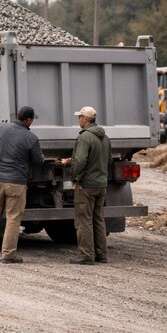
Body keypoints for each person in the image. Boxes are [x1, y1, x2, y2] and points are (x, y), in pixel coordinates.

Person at [0, 106, 44, 264]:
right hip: (16, 183)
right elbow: (38, 161)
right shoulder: (31, 138)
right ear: (28, 120)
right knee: (13, 218)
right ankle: (8, 254)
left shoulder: (0, 128)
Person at [57, 106, 112, 265]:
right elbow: (108, 161)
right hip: (101, 185)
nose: (78, 119)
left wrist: (75, 179)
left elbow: (81, 161)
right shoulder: (105, 137)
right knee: (98, 219)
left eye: (80, 117)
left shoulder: (84, 137)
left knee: (83, 220)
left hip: (86, 185)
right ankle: (102, 255)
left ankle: (86, 255)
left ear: (86, 119)